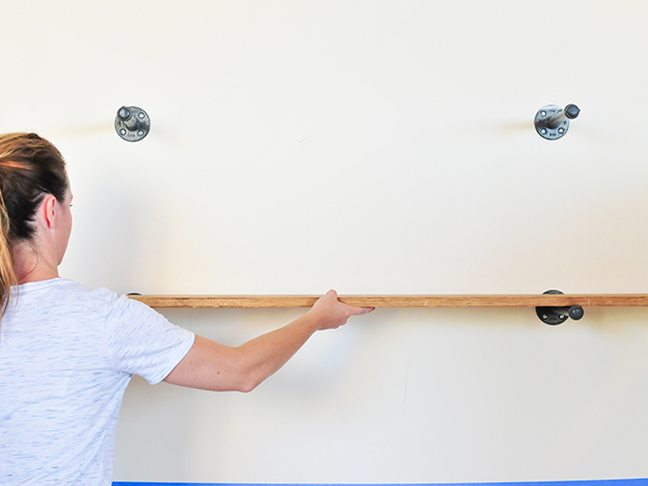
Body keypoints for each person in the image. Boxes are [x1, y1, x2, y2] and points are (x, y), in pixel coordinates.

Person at [0, 132, 374, 485]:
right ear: (51, 211)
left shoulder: (100, 319)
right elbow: (242, 371)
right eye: (69, 206)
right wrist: (316, 320)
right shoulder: (102, 320)